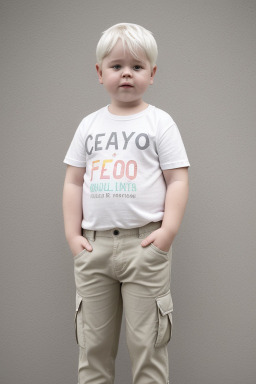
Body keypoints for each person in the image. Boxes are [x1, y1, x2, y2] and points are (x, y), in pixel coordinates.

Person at [63, 22, 190, 384]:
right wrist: (73, 238)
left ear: (152, 73)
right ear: (100, 72)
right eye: (117, 66)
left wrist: (167, 233)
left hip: (145, 247)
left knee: (148, 348)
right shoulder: (89, 125)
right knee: (93, 349)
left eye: (137, 66)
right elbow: (73, 181)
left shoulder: (159, 123)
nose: (126, 74)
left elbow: (178, 178)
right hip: (94, 248)